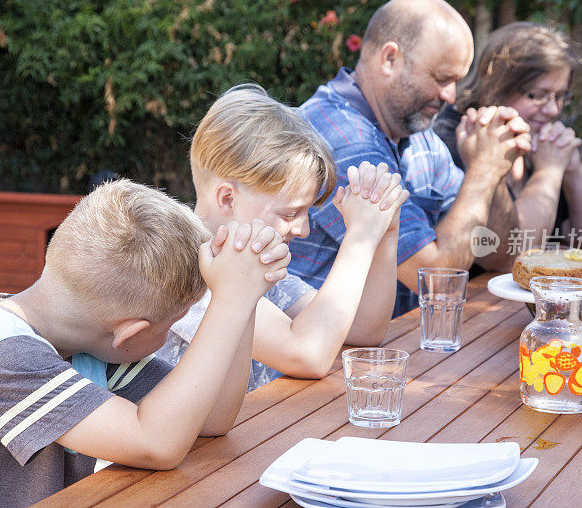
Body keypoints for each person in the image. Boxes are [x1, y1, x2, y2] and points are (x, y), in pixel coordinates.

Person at [0, 179, 290, 507]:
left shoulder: (81, 342)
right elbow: (156, 443)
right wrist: (229, 301)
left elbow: (211, 419)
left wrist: (245, 296)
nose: (170, 336)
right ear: (129, 333)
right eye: (171, 325)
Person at [289, 0, 531, 316]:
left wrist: (493, 169)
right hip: (319, 360)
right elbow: (437, 281)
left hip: (385, 349)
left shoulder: (417, 136)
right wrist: (482, 172)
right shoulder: (342, 140)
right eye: (442, 78)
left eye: (457, 81)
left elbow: (497, 255)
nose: (451, 95)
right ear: (390, 59)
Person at [156, 84, 409, 389]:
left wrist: (385, 230)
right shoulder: (186, 266)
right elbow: (308, 354)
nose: (303, 229)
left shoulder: (253, 256)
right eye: (290, 214)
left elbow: (361, 330)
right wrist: (360, 239)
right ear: (227, 199)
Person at [434, 22, 582, 249]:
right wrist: (548, 172)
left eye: (559, 96)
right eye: (536, 95)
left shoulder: (538, 137)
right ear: (498, 87)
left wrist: (573, 170)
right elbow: (516, 250)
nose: (553, 110)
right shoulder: (455, 141)